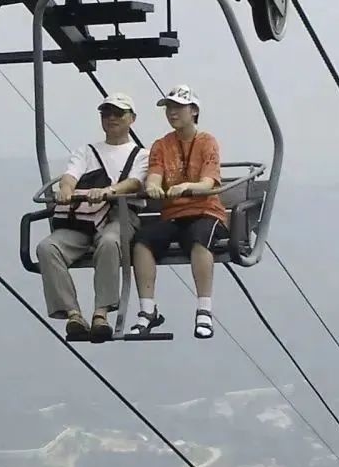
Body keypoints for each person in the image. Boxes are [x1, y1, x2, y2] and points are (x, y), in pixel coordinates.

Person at [36, 92, 150, 343]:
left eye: (118, 113)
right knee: (47, 247)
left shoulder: (141, 155)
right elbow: (71, 175)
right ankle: (73, 313)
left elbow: (133, 182)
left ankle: (101, 313)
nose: (111, 118)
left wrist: (109, 192)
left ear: (132, 118)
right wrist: (66, 190)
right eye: (106, 113)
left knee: (110, 241)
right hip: (85, 219)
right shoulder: (86, 151)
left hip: (120, 214)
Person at [130, 85, 225, 341]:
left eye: (178, 108)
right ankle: (147, 310)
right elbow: (155, 175)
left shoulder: (207, 142)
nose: (172, 113)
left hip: (205, 210)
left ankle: (204, 308)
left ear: (193, 111)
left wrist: (187, 187)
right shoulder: (161, 145)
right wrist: (152, 187)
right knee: (142, 241)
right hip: (173, 215)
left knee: (200, 238)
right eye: (169, 108)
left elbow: (208, 183)